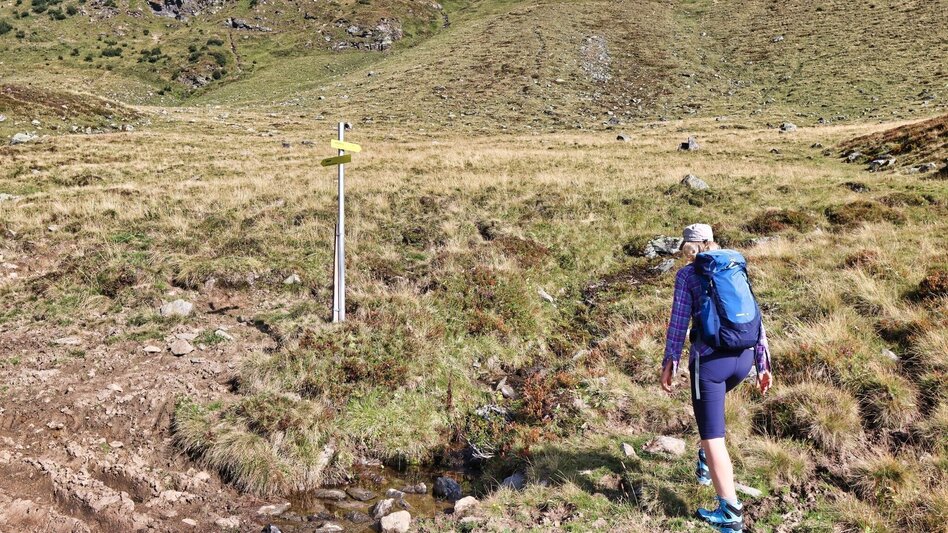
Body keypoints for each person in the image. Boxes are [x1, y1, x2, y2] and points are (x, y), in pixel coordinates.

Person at [660, 223, 772, 533]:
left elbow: (679, 321)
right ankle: (706, 461)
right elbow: (755, 314)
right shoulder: (735, 264)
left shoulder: (687, 274)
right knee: (711, 422)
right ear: (713, 241)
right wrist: (763, 363)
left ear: (688, 246)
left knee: (713, 437)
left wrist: (670, 359)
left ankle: (730, 513)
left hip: (709, 365)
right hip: (744, 359)